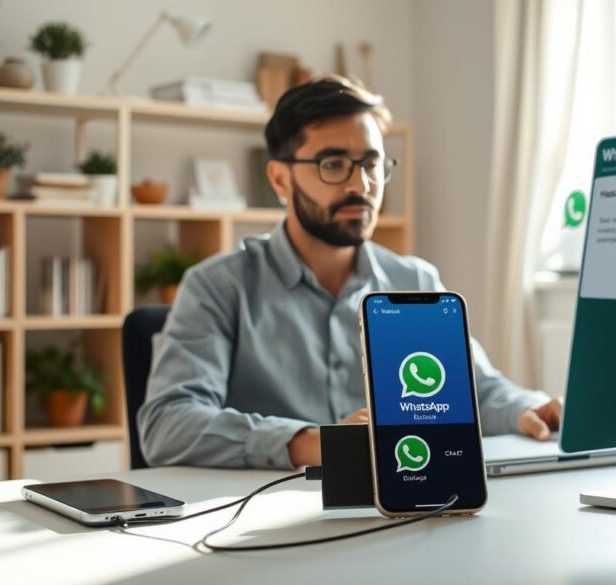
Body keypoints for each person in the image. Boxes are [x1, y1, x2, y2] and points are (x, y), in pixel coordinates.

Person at [138, 75, 561, 469]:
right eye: (333, 164)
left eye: (371, 164)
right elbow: (167, 424)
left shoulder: (413, 283)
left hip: (395, 511)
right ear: (280, 179)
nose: (360, 185)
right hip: (266, 525)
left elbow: (478, 391)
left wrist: (527, 407)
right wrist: (313, 443)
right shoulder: (217, 287)